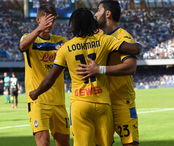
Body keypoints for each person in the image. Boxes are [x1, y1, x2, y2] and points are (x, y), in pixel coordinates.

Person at [29, 8, 142, 146]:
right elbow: (135, 49)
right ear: (92, 23)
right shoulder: (104, 40)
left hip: (80, 104)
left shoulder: (65, 48)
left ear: (73, 25)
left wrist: (35, 93)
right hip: (102, 103)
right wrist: (138, 44)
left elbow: (49, 80)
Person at [76, 0, 140, 146]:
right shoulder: (97, 37)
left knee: (130, 144)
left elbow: (131, 68)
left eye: (98, 10)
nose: (95, 14)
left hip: (122, 102)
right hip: (102, 102)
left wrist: (99, 70)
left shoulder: (123, 36)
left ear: (108, 14)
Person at [19, 4, 70, 146]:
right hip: (38, 102)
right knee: (44, 143)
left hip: (59, 102)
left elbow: (73, 60)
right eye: (46, 20)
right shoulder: (28, 39)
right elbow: (22, 46)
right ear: (37, 20)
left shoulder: (61, 41)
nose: (50, 24)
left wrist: (64, 53)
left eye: (52, 20)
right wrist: (39, 29)